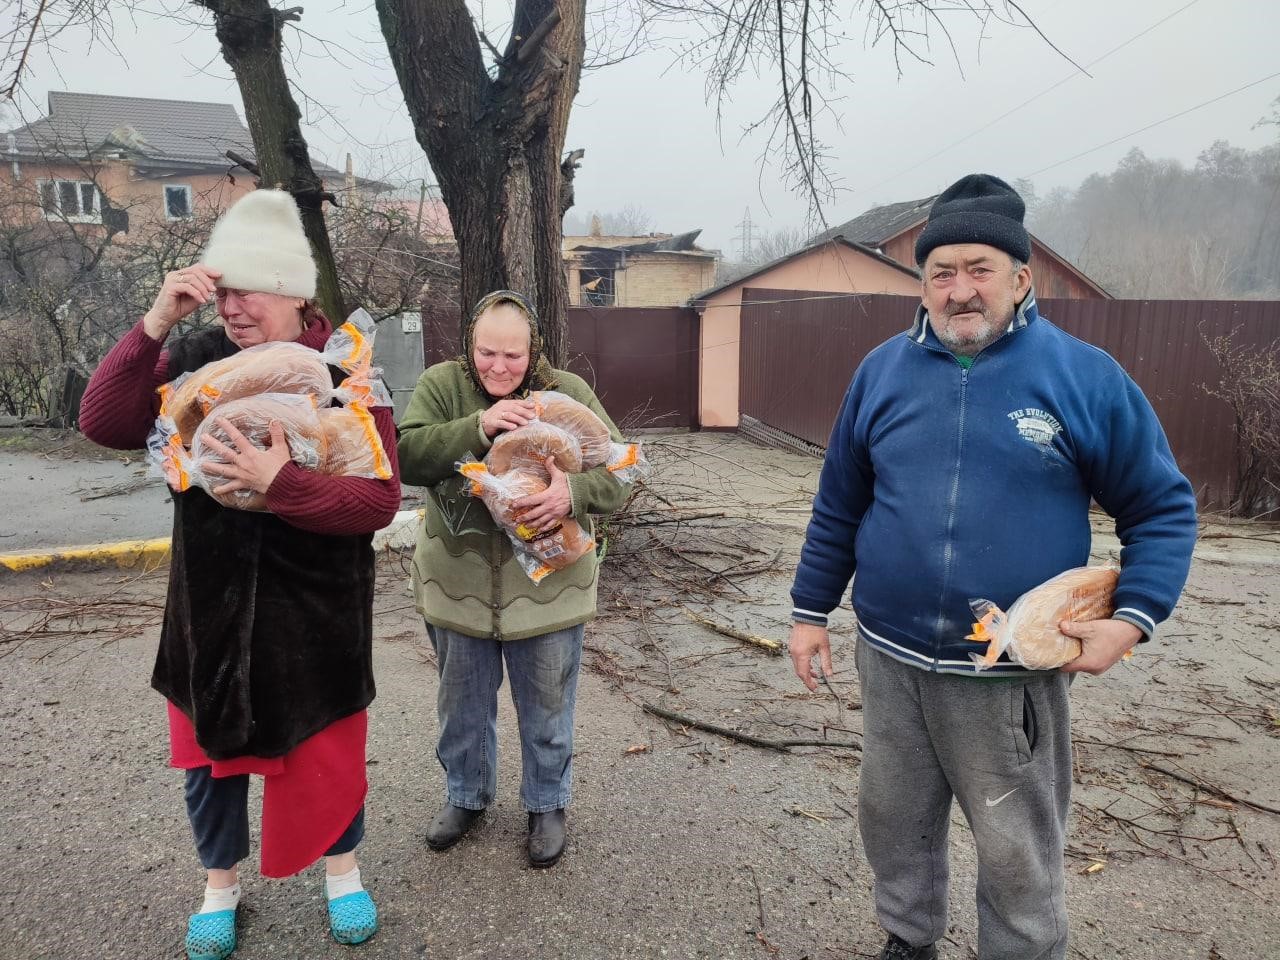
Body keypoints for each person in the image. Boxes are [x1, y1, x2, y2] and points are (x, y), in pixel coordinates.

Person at [786, 174, 1198, 960]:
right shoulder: (881, 372)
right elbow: (839, 503)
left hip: (1011, 674)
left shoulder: (1083, 377)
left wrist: (1133, 618)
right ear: (923, 282)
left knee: (1017, 844)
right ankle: (909, 939)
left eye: (979, 269)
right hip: (892, 657)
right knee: (893, 820)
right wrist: (810, 613)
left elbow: (1161, 507)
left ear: (1020, 278)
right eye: (941, 271)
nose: (959, 289)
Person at [79, 190, 400, 959]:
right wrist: (156, 321)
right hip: (208, 609)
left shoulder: (345, 372)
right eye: (221, 293)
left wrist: (280, 482)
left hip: (316, 615)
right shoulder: (193, 363)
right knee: (209, 762)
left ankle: (343, 874)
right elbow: (103, 423)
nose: (230, 307)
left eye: (246, 291)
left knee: (324, 757)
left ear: (294, 293)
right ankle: (218, 887)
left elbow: (380, 499)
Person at [397, 290, 631, 868]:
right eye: (486, 353)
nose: (498, 367)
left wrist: (571, 494)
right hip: (459, 588)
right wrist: (477, 426)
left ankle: (547, 804)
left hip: (548, 593)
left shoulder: (568, 395)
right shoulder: (441, 386)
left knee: (548, 706)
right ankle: (466, 797)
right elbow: (406, 456)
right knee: (462, 707)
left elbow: (621, 471)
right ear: (470, 344)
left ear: (535, 351)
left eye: (513, 356)